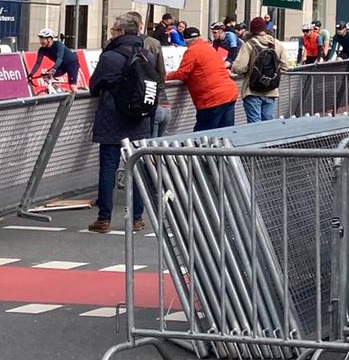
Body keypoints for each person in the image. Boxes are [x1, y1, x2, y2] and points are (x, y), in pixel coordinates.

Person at [88, 13, 158, 233]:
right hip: (139, 119)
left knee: (108, 168)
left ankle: (104, 218)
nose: (111, 34)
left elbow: (94, 85)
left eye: (112, 30)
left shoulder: (110, 57)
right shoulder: (146, 54)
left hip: (112, 118)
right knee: (136, 167)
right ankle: (137, 218)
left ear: (120, 32)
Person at [167, 26, 238, 130]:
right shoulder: (209, 48)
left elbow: (182, 74)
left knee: (202, 136)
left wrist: (165, 75)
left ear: (186, 41)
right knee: (225, 134)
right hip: (229, 93)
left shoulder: (191, 51)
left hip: (212, 99)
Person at [233, 16, 281, 123]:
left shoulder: (249, 45)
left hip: (252, 90)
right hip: (271, 90)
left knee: (254, 124)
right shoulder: (276, 44)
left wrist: (246, 73)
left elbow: (239, 67)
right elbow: (285, 66)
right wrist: (271, 75)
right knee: (268, 123)